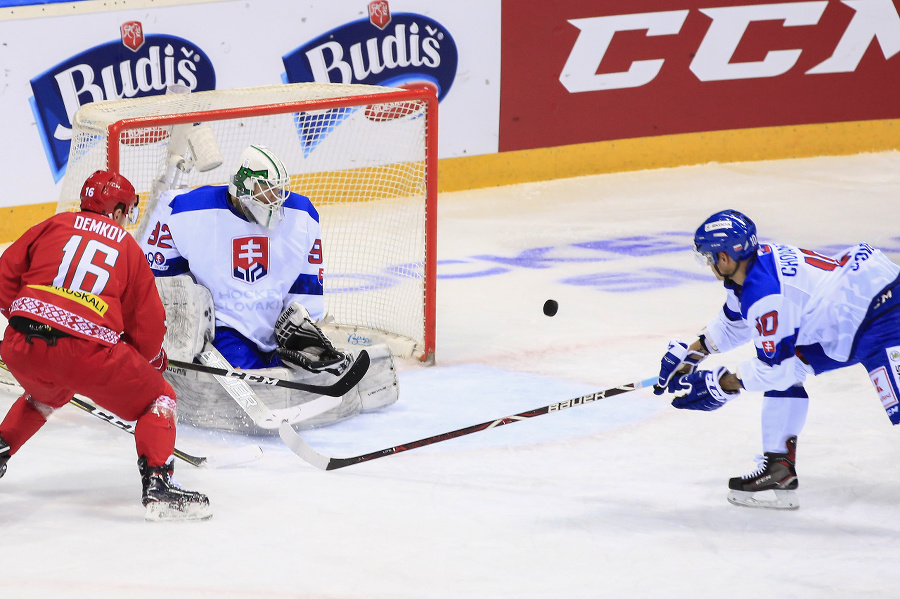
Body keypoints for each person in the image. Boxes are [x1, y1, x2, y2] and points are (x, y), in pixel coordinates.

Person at [138, 144, 398, 434]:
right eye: (266, 190)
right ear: (243, 186)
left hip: (277, 325)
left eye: (279, 191)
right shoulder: (187, 210)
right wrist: (182, 317)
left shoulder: (302, 215)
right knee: (253, 377)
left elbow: (306, 280)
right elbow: (160, 270)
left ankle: (288, 360)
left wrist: (304, 321)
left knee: (307, 361)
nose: (275, 199)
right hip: (223, 327)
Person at [0, 170, 210, 521]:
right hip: (85, 355)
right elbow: (147, 328)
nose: (126, 219)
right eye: (125, 211)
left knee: (48, 391)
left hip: (21, 343)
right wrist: (151, 361)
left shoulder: (53, 224)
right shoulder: (127, 247)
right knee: (159, 398)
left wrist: (24, 324)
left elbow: (5, 276)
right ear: (116, 211)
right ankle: (158, 486)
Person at [654, 209, 900, 510]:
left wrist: (723, 384)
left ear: (725, 258)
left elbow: (776, 371)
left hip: (885, 316)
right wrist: (693, 354)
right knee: (787, 359)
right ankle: (778, 467)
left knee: (781, 364)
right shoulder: (754, 266)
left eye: (709, 258)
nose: (708, 265)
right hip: (852, 310)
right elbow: (735, 323)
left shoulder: (765, 294)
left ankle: (779, 465)